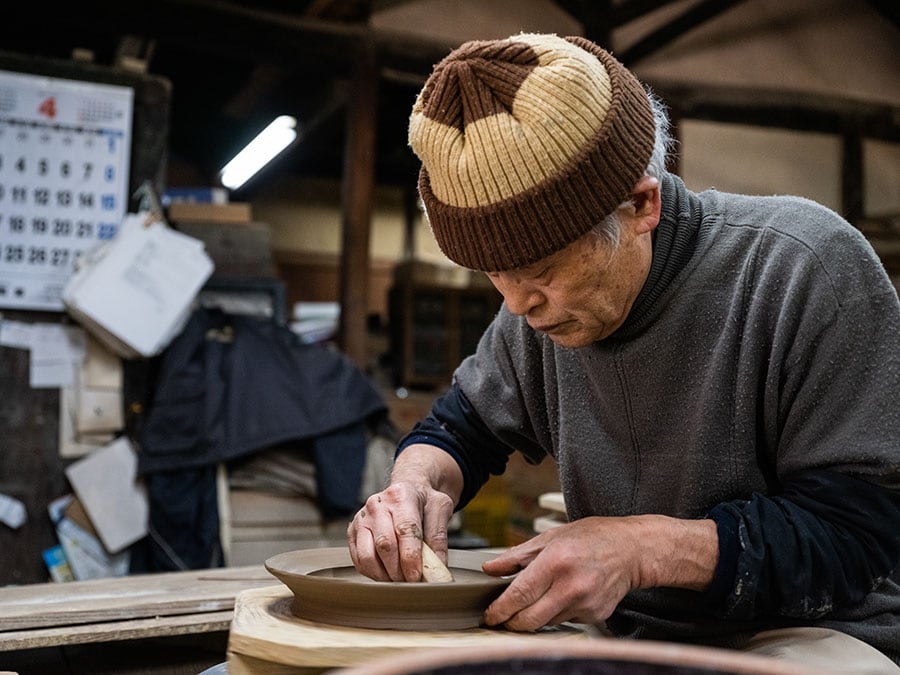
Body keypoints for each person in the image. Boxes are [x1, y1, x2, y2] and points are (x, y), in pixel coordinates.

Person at [346, 33, 900, 672]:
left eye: (542, 269)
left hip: (815, 634)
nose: (520, 304)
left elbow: (858, 532)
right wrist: (412, 487)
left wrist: (642, 549)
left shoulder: (804, 268)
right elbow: (460, 430)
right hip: (629, 636)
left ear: (641, 203)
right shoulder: (538, 311)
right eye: (493, 274)